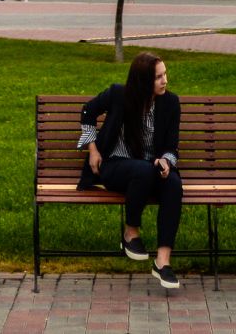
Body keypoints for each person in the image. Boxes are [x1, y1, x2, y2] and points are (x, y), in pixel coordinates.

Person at [78, 51, 183, 290]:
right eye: (158, 77)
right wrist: (93, 149)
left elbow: (171, 146)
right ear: (143, 81)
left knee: (174, 184)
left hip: (150, 168)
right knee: (143, 171)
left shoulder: (170, 102)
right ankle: (130, 233)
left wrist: (166, 162)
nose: (165, 80)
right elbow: (87, 112)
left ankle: (163, 261)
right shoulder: (118, 94)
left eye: (165, 74)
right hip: (115, 165)